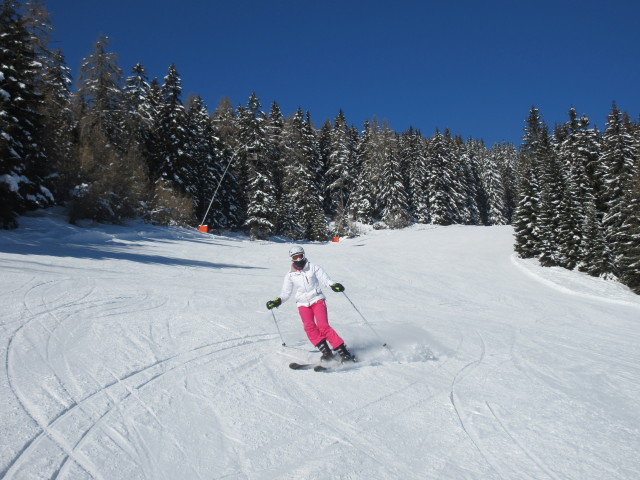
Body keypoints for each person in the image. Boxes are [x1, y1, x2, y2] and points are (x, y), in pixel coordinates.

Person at [266, 246, 355, 363]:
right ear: (292, 259)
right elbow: (285, 293)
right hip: (302, 303)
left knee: (323, 326)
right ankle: (326, 352)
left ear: (304, 255)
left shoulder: (313, 267)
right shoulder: (290, 275)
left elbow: (325, 280)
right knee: (309, 327)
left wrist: (333, 285)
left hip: (317, 299)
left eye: (300, 256)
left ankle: (344, 353)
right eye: (295, 257)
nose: (298, 260)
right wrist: (277, 301)